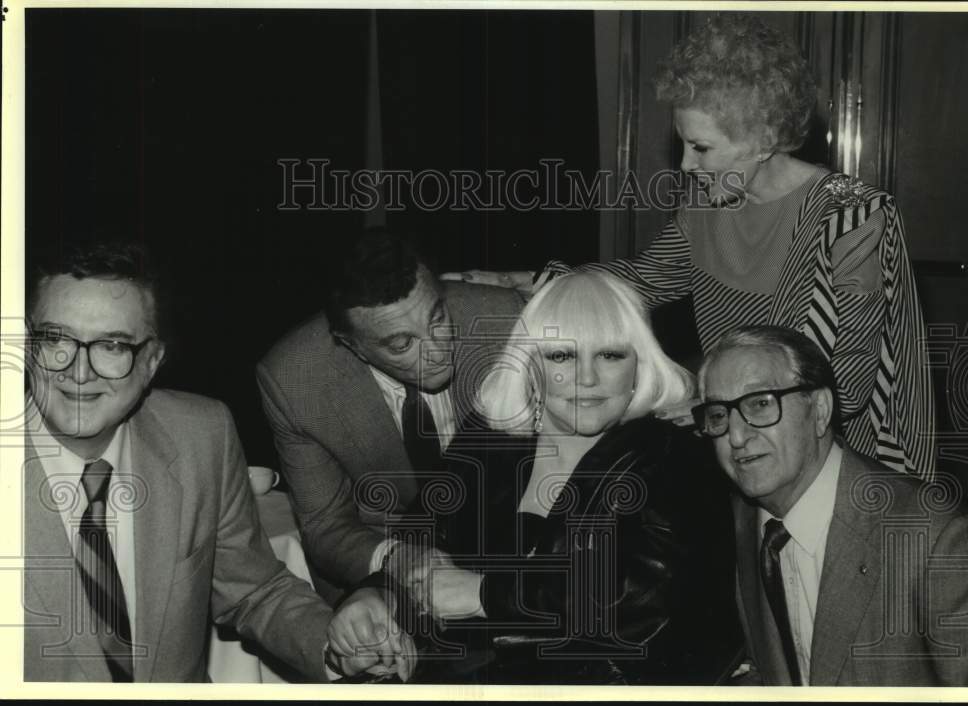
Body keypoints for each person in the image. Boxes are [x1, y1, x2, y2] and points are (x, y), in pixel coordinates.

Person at [445, 13, 935, 482]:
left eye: (700, 148)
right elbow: (646, 278)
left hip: (839, 459)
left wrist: (709, 401)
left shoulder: (854, 217)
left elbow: (840, 378)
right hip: (737, 440)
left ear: (763, 139)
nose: (684, 164)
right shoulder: (707, 206)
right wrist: (530, 279)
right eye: (684, 144)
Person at [22, 241, 413, 682]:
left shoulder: (201, 434)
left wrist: (336, 642)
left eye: (112, 345)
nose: (78, 371)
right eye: (55, 338)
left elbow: (253, 589)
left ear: (152, 362)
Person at [399, 272, 742, 684]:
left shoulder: (679, 457)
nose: (588, 377)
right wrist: (379, 594)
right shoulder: (489, 437)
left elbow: (644, 604)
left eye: (611, 355)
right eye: (562, 355)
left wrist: (483, 594)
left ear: (640, 365)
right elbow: (419, 531)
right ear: (530, 365)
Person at [693, 324, 968, 686]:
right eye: (718, 414)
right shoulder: (743, 521)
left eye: (760, 404)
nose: (735, 436)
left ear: (821, 410)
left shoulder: (936, 538)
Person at [256, 230, 523, 605]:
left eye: (438, 318)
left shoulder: (506, 319)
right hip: (386, 568)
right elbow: (327, 527)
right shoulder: (295, 381)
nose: (436, 352)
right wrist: (397, 560)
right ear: (351, 345)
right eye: (402, 344)